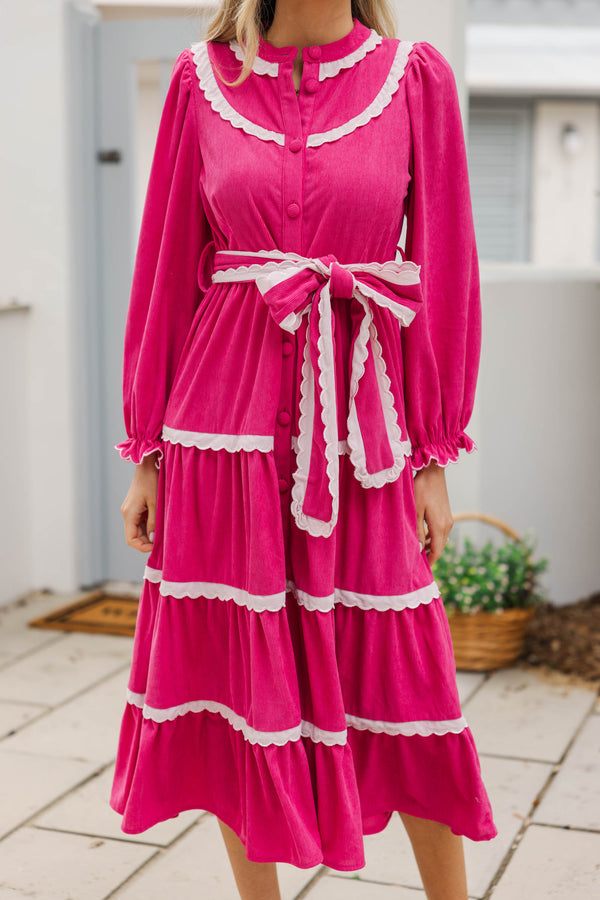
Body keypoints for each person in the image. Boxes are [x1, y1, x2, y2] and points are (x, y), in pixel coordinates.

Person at [110, 1, 498, 898]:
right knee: (239, 683)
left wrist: (433, 453)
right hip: (220, 432)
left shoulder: (414, 79)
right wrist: (149, 452)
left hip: (363, 430)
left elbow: (443, 269)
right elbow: (168, 264)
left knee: (406, 681)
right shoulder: (197, 81)